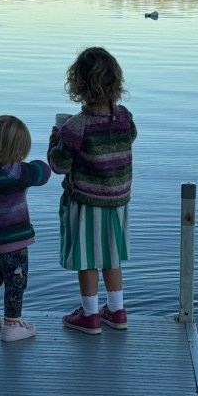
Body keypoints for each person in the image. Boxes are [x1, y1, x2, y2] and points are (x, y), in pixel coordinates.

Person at [48, 47, 137, 334]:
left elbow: (59, 165)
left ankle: (90, 316)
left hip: (86, 203)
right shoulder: (125, 117)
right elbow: (130, 137)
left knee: (86, 260)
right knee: (111, 257)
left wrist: (56, 137)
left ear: (78, 86)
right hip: (118, 201)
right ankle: (117, 311)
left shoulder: (76, 126)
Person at [0, 115, 51, 342]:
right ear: (19, 148)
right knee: (15, 283)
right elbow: (44, 172)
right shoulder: (16, 172)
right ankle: (12, 325)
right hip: (14, 246)